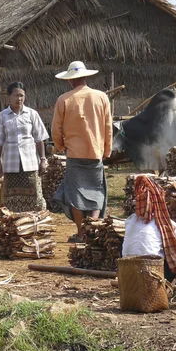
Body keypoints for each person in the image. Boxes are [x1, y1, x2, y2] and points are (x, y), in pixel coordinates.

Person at [51, 61, 112, 242]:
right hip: (95, 153)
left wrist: (61, 146)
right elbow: (108, 126)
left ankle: (81, 232)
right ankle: (93, 230)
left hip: (74, 154)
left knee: (74, 194)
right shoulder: (101, 97)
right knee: (96, 193)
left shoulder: (64, 99)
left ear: (70, 81)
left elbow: (56, 129)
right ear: (85, 77)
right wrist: (106, 150)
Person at [122, 175, 176, 281]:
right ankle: (171, 283)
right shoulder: (161, 221)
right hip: (152, 272)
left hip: (127, 273)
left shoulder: (130, 220)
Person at [0, 81, 49, 212]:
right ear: (9, 97)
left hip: (30, 162)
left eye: (22, 95)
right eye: (16, 95)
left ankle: (35, 220)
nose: (19, 99)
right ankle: (14, 221)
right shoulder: (2, 117)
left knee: (35, 196)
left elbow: (39, 138)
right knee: (10, 197)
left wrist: (43, 159)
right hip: (10, 163)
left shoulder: (32, 114)